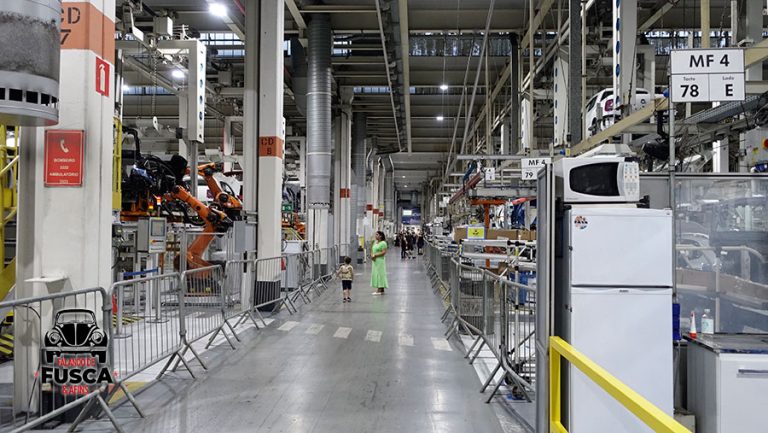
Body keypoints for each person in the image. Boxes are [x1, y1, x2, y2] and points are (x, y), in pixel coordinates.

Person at [371, 231, 389, 295]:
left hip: (380, 260)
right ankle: (382, 290)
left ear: (380, 236)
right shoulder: (375, 242)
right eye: (375, 234)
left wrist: (375, 255)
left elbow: (384, 252)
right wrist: (372, 256)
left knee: (380, 274)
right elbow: (372, 250)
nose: (375, 236)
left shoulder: (383, 243)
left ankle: (379, 290)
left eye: (377, 234)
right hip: (374, 261)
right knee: (376, 273)